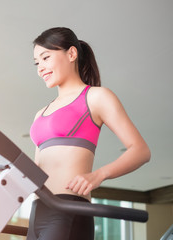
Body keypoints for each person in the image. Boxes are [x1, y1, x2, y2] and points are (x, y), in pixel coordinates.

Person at [27, 27, 151, 240]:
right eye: (37, 62)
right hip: (38, 210)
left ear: (72, 54)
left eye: (46, 57)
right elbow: (37, 173)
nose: (40, 68)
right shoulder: (40, 114)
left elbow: (140, 150)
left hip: (70, 208)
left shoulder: (95, 97)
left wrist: (98, 175)